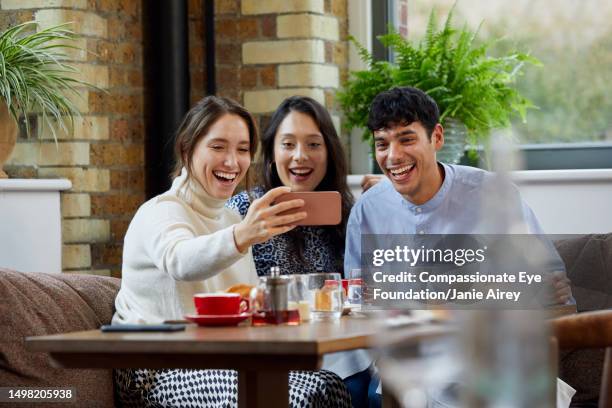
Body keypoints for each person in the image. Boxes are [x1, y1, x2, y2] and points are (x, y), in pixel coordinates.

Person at [112, 96, 351, 408]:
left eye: (241, 150)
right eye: (218, 147)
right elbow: (180, 260)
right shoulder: (161, 211)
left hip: (218, 360)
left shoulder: (230, 218)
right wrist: (242, 235)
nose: (232, 161)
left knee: (328, 386)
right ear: (187, 149)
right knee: (295, 395)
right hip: (156, 368)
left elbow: (248, 299)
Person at [344, 86, 572, 306]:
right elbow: (357, 301)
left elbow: (551, 282)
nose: (393, 156)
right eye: (382, 144)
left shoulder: (493, 194)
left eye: (407, 140)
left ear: (437, 137)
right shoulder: (366, 210)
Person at [227, 96, 378, 408]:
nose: (300, 156)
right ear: (270, 154)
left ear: (329, 152)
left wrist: (383, 204)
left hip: (346, 351)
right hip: (279, 356)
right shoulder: (246, 211)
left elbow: (373, 285)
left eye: (313, 144)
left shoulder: (346, 212)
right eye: (288, 144)